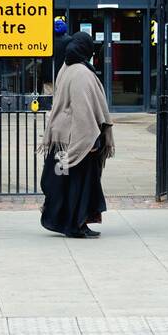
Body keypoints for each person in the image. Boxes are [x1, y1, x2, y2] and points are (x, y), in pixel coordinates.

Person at [38, 32, 114, 238]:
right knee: (78, 185)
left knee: (67, 183)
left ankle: (76, 223)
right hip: (77, 137)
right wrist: (88, 139)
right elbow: (83, 109)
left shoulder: (66, 67)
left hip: (62, 136)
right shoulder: (81, 72)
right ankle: (74, 225)